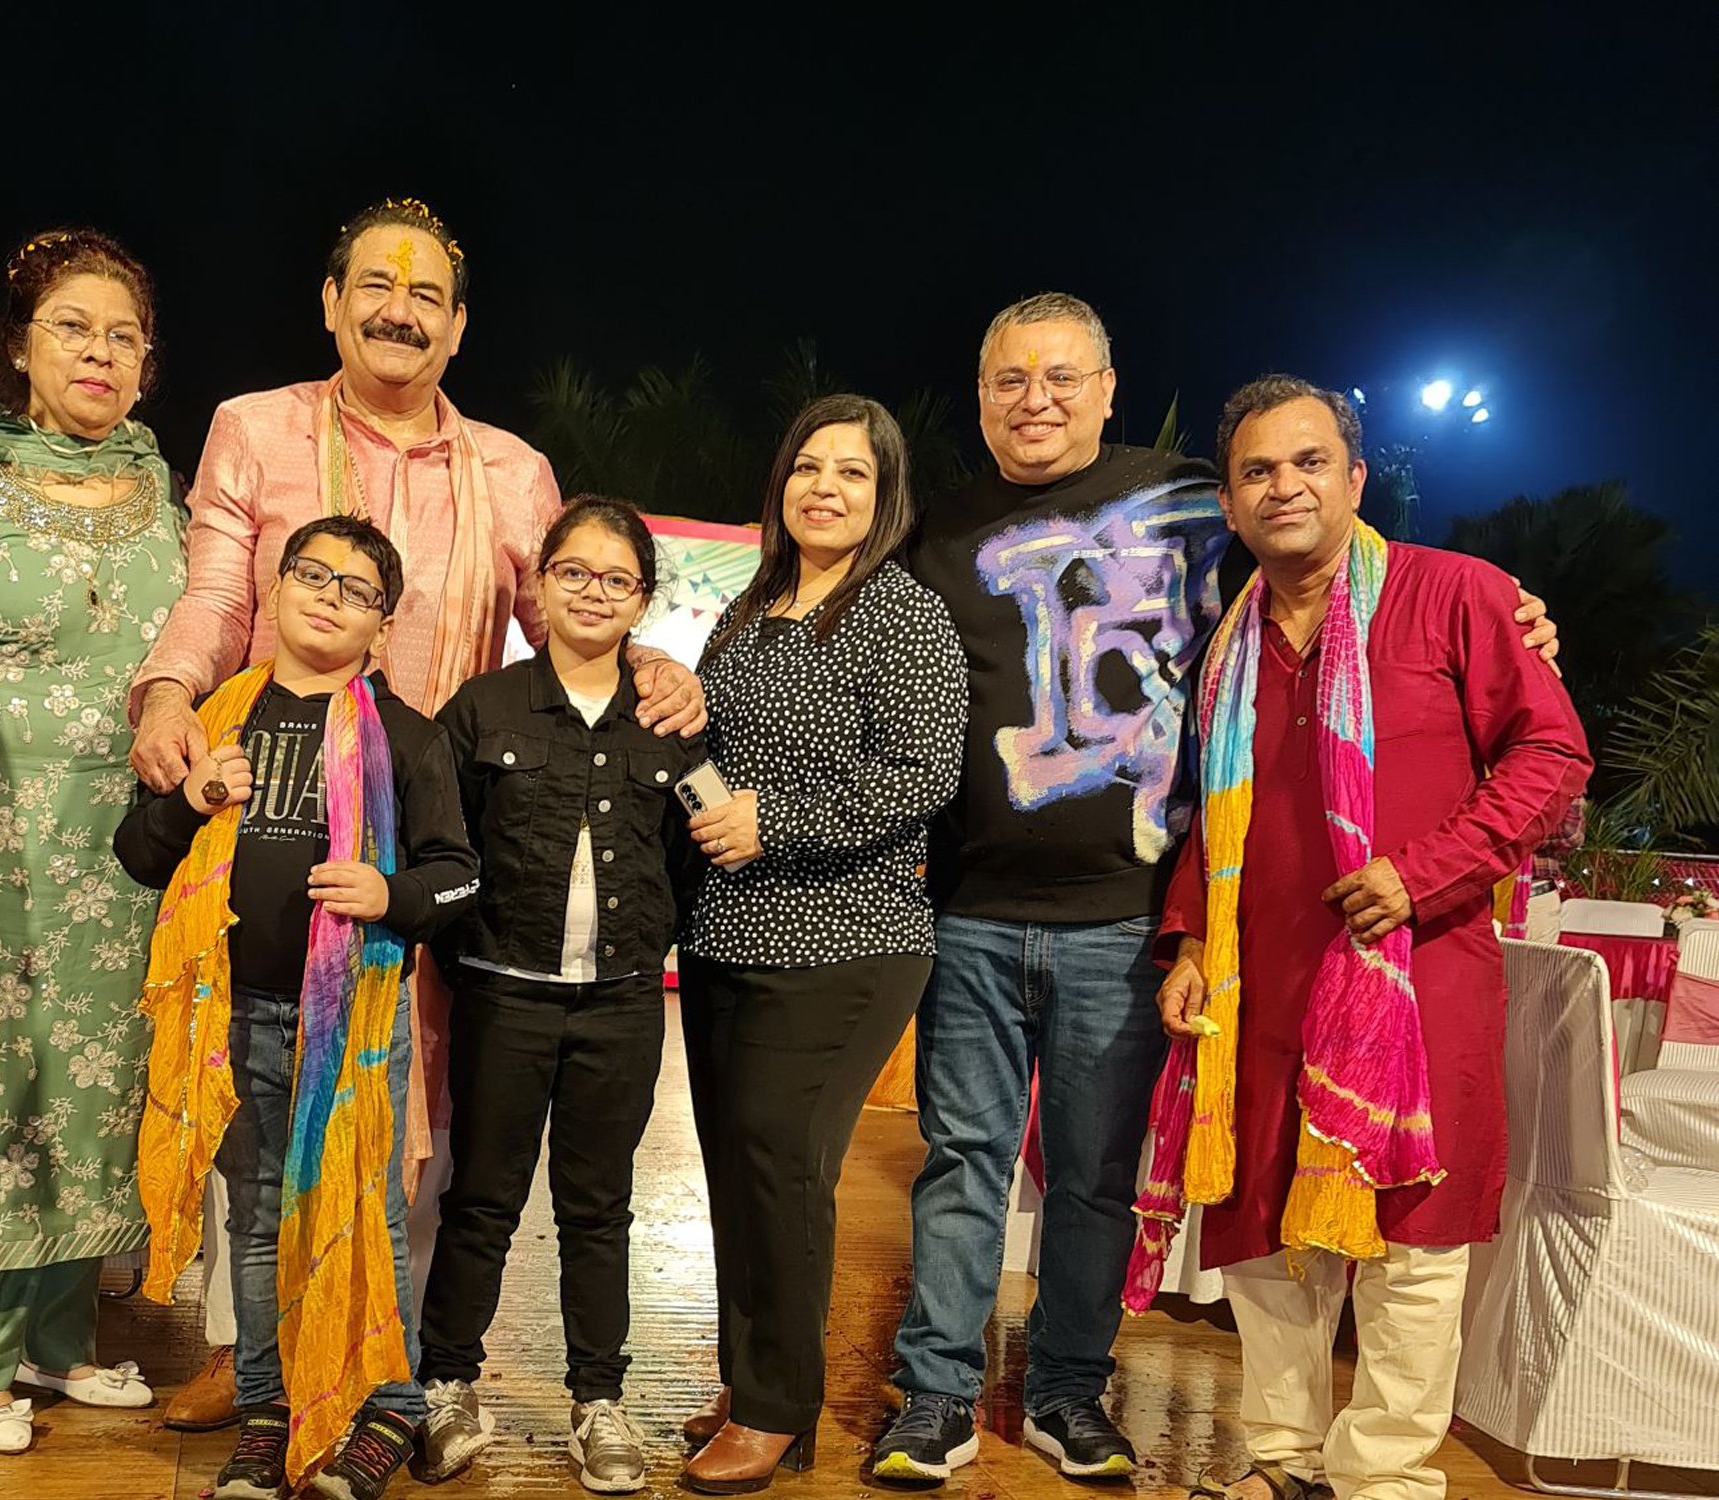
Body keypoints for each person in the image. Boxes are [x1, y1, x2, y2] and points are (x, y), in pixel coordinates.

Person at [872, 293, 1564, 1485]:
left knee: (1328, 1229)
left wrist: (1513, 632)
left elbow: (1541, 749)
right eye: (1008, 379)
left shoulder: (1388, 574)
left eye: (1061, 376)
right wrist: (1197, 937)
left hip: (1292, 957)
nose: (1035, 399)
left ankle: (1317, 1458)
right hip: (1107, 947)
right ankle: (993, 1407)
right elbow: (1210, 795)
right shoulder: (975, 549)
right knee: (1155, 1205)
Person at [122, 198, 703, 1431]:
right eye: (376, 287)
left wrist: (652, 664)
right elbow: (219, 596)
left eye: (427, 294)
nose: (400, 310)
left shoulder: (513, 471)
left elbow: (565, 621)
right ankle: (253, 1348)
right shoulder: (255, 429)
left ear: (457, 326)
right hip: (284, 810)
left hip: (447, 828)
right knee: (261, 1081)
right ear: (330, 302)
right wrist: (170, 694)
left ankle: (392, 1354)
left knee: (422, 1102)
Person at [1126, 376, 1591, 1500]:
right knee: (1262, 1235)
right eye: (1255, 471)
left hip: (1417, 979)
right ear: (1229, 503)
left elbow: (1551, 757)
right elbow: (1210, 820)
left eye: (1308, 463)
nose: (1282, 486)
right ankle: (1284, 1463)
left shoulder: (1454, 595)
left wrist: (1422, 873)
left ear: (1354, 479)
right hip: (1259, 987)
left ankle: (1384, 1477)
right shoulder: (1227, 645)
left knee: (1413, 1244)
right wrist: (1188, 944)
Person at [116, 515, 478, 1500]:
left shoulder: (407, 737)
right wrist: (190, 798)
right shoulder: (218, 717)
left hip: (351, 1028)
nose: (329, 596)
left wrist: (390, 893)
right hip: (232, 1019)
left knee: (366, 1213)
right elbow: (138, 854)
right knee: (257, 1221)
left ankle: (388, 1406)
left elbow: (459, 875)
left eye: (357, 590)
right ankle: (268, 1413)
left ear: (381, 625)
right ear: (274, 588)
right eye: (312, 575)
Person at [0, 229, 186, 1452]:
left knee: (102, 1083)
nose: (100, 353)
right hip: (0, 830)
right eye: (73, 327)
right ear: (19, 346)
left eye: (124, 336)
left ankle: (61, 1339)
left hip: (131, 849)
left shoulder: (164, 485)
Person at [674, 395, 968, 1495]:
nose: (824, 488)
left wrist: (777, 821)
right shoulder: (751, 606)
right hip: (726, 929)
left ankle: (778, 1410)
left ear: (884, 495)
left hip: (847, 935)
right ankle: (752, 1376)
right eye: (807, 466)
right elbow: (713, 745)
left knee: (782, 1162)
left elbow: (923, 774)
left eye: (851, 472)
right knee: (735, 1167)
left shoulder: (902, 614)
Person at [418, 497, 706, 1494]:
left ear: (643, 599)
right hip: (502, 999)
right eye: (573, 572)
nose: (592, 593)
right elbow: (443, 849)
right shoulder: (484, 708)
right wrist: (472, 959)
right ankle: (448, 1384)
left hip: (619, 1006)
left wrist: (644, 947)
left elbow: (690, 858)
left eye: (617, 579)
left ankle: (598, 1402)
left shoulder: (668, 721)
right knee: (480, 1200)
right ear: (539, 583)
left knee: (599, 1207)